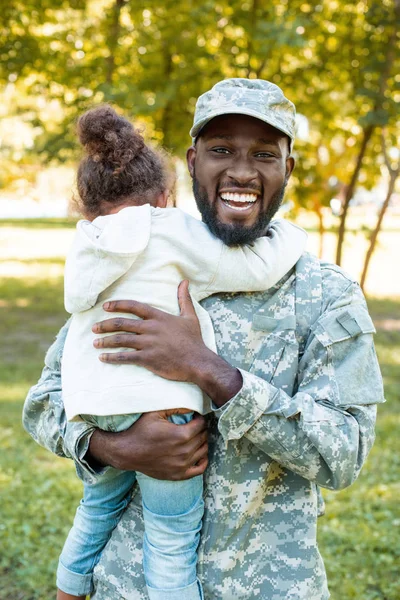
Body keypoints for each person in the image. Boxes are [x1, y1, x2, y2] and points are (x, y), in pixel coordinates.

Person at [23, 78, 385, 600]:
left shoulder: (325, 295)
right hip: (128, 585)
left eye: (264, 153)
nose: (241, 170)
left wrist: (211, 371)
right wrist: (112, 447)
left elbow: (343, 453)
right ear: (193, 162)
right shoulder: (144, 259)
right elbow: (43, 403)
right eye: (221, 151)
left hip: (270, 587)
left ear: (289, 168)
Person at [56, 104, 306, 600]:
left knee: (94, 509)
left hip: (97, 413)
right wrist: (291, 234)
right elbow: (253, 270)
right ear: (168, 193)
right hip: (168, 414)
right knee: (171, 540)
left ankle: (66, 589)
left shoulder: (85, 247)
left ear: (87, 206)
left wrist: (108, 446)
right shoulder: (171, 230)